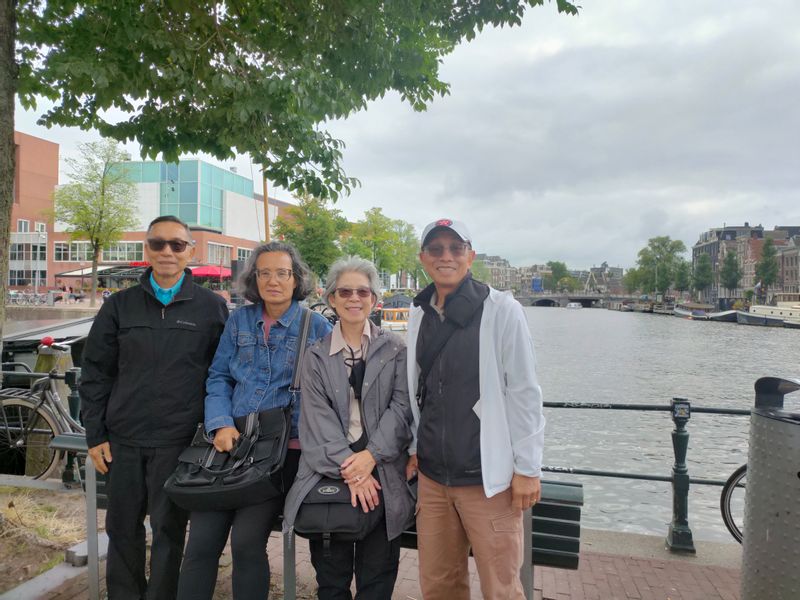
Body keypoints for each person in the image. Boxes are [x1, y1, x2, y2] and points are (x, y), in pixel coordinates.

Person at [79, 215, 229, 600]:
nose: (167, 252)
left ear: (190, 251)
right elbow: (95, 373)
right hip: (123, 441)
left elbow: (221, 376)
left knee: (168, 532)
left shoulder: (211, 309)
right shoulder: (119, 307)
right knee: (122, 530)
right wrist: (95, 434)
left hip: (178, 442)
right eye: (158, 244)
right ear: (146, 249)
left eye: (176, 245)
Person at [177, 241, 332, 600]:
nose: (273, 281)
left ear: (296, 280)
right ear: (254, 278)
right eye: (265, 273)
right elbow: (218, 376)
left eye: (282, 273)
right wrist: (220, 422)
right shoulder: (239, 320)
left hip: (276, 454)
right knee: (200, 544)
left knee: (247, 543)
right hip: (228, 444)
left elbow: (330, 393)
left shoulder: (316, 326)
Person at [406, 218, 545, 600]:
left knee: (500, 588)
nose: (445, 256)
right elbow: (420, 390)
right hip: (434, 479)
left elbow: (524, 392)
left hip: (488, 481)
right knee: (439, 585)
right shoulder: (419, 314)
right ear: (423, 258)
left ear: (471, 255)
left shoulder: (502, 310)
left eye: (455, 248)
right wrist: (416, 446)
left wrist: (527, 468)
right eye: (436, 249)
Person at [283, 256, 414, 600]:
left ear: (374, 299)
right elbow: (315, 420)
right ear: (332, 298)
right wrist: (352, 470)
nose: (354, 298)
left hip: (382, 474)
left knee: (377, 581)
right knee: (331, 582)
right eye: (345, 292)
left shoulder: (395, 348)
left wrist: (370, 457)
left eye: (362, 291)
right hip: (329, 474)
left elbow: (402, 410)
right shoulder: (315, 356)